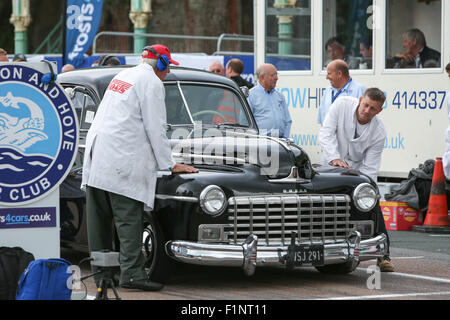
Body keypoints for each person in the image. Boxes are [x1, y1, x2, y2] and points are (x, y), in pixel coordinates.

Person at [81, 44, 198, 291]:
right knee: (128, 219)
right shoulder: (151, 83)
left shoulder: (122, 76)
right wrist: (170, 164)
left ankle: (102, 273)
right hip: (121, 159)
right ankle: (132, 274)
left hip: (98, 156)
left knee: (99, 221)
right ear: (162, 65)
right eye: (167, 68)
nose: (167, 74)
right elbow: (156, 127)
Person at [319, 87, 394, 272]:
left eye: (373, 109)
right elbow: (326, 133)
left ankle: (384, 254)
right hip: (329, 166)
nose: (367, 111)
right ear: (361, 100)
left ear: (380, 111)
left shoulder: (379, 132)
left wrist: (365, 189)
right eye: (366, 105)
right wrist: (334, 158)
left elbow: (370, 168)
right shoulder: (342, 104)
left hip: (356, 174)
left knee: (371, 203)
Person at [247, 63, 291, 139]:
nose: (276, 78)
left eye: (277, 75)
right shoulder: (251, 95)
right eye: (273, 75)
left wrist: (285, 138)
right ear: (262, 77)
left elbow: (288, 121)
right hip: (261, 141)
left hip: (280, 141)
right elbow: (245, 122)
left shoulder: (280, 96)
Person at [317, 59, 366, 126]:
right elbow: (322, 117)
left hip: (350, 135)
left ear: (339, 74)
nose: (326, 77)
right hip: (329, 135)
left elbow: (364, 118)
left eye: (329, 73)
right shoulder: (328, 90)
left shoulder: (359, 89)